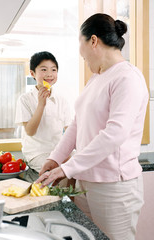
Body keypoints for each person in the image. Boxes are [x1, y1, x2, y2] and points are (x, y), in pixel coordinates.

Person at [35, 13, 149, 240]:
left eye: (81, 44)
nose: (82, 56)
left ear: (93, 41)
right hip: (85, 181)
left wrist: (67, 169)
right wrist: (56, 158)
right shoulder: (96, 79)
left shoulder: (127, 78)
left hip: (114, 188)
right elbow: (78, 124)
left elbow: (114, 135)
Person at [15, 51, 72, 181]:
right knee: (61, 171)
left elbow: (69, 129)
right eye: (44, 69)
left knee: (77, 167)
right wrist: (41, 104)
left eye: (53, 69)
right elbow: (30, 131)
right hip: (37, 153)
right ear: (32, 74)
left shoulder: (61, 99)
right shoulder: (25, 99)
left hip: (58, 151)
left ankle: (70, 200)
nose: (49, 74)